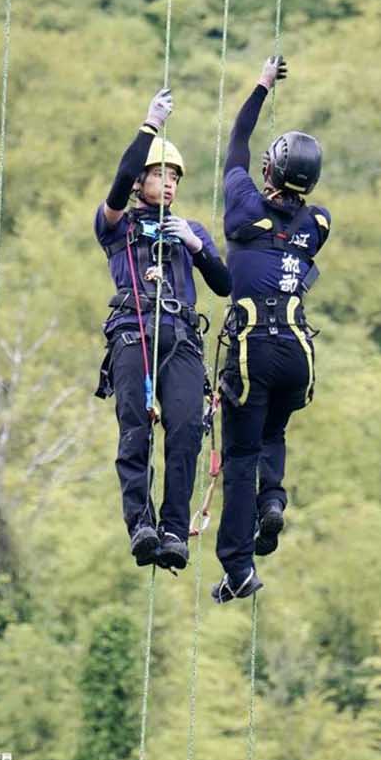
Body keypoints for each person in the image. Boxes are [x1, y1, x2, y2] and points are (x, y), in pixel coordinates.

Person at [94, 88, 232, 571]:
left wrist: (195, 245)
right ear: (141, 181)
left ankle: (174, 530)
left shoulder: (188, 230)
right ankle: (141, 525)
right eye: (159, 174)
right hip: (134, 331)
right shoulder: (117, 225)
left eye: (173, 177)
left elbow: (223, 284)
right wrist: (149, 125)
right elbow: (118, 185)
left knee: (187, 430)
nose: (168, 184)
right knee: (135, 430)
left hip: (181, 337)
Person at [211, 55, 331, 603]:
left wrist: (261, 87)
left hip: (251, 347)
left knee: (240, 457)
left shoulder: (243, 207)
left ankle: (238, 566)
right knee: (273, 433)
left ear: (271, 173)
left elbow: (237, 142)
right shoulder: (318, 223)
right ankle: (273, 500)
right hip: (296, 350)